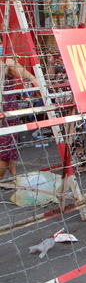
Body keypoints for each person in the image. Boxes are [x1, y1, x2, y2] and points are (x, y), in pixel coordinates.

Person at [0, 46, 39, 184]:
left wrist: (40, 89)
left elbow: (30, 76)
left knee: (5, 149)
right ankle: (14, 177)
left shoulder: (7, 63)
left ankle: (9, 178)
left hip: (6, 112)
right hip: (7, 111)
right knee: (7, 146)